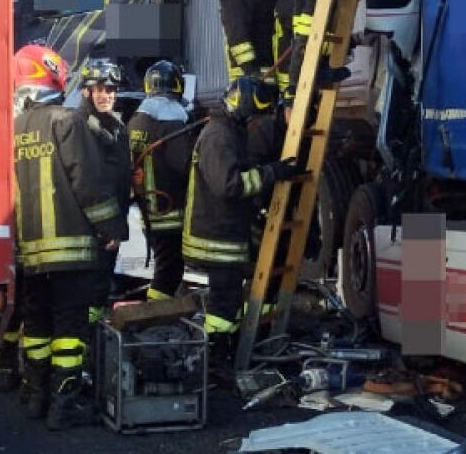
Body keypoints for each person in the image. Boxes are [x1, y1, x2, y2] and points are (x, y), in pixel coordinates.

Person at [12, 45, 126, 431]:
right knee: (69, 331)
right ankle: (64, 406)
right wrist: (111, 229)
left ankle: (35, 397)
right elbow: (88, 183)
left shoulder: (14, 125)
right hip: (70, 251)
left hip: (28, 252)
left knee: (37, 325)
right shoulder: (67, 122)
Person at [181, 77, 302, 368]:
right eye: (255, 115)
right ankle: (215, 362)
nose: (256, 122)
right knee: (224, 306)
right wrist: (271, 173)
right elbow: (230, 185)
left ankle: (224, 355)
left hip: (225, 234)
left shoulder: (230, 132)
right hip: (215, 237)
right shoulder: (218, 136)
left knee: (230, 302)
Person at [127, 60, 194, 300]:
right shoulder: (172, 122)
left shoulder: (136, 120)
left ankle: (155, 311)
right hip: (169, 212)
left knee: (164, 266)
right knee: (169, 271)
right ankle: (153, 314)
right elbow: (186, 165)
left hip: (147, 211)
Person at [78, 58, 134, 306]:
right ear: (86, 91)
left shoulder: (115, 125)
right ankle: (89, 338)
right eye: (99, 89)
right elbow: (88, 182)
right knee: (92, 290)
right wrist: (107, 228)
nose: (105, 96)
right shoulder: (81, 127)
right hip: (94, 228)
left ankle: (96, 335)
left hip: (113, 220)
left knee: (102, 286)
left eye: (110, 90)